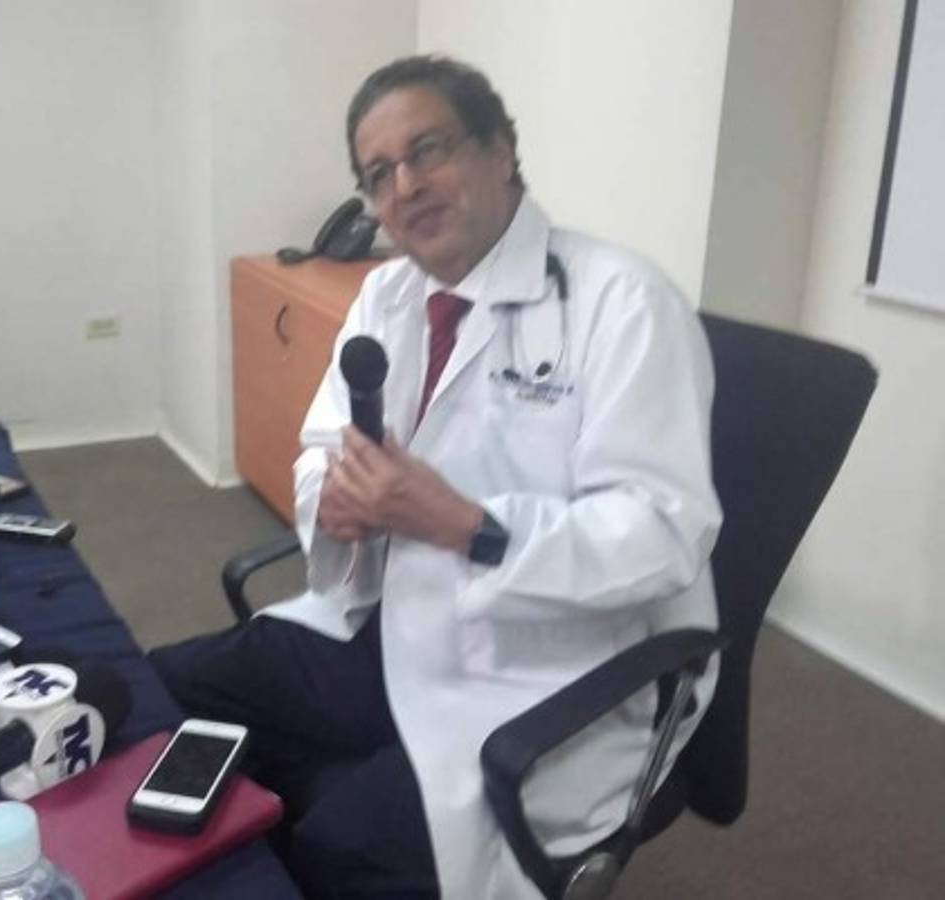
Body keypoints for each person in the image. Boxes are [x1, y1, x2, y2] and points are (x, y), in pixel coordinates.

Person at [151, 55, 721, 899]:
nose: (405, 186)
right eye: (378, 173)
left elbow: (664, 536)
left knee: (341, 846)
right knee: (161, 691)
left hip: (547, 669)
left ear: (499, 151)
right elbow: (320, 448)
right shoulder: (386, 296)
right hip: (390, 624)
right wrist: (331, 503)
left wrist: (466, 523)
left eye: (427, 151)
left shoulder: (623, 303)